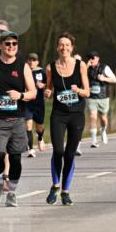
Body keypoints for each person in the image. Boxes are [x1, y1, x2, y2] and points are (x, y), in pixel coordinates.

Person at [0, 31, 37, 207]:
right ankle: (0, 180)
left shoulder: (23, 66)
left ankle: (12, 192)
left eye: (14, 44)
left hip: (17, 119)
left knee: (15, 158)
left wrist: (20, 95)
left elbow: (33, 92)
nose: (11, 47)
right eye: (7, 44)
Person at [45, 32, 90, 205]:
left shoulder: (80, 65)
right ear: (57, 48)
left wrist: (78, 90)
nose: (64, 48)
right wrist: (47, 93)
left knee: (70, 154)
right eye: (61, 45)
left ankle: (65, 191)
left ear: (72, 48)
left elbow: (87, 91)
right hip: (59, 114)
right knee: (58, 151)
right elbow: (49, 90)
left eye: (67, 45)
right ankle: (55, 185)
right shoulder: (50, 67)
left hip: (77, 115)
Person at [85, 50, 116, 147]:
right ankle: (94, 140)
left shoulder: (104, 67)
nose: (91, 60)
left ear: (98, 58)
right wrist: (86, 67)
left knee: (103, 118)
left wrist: (104, 79)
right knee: (92, 117)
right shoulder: (86, 68)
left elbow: (114, 79)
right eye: (89, 58)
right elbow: (79, 77)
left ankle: (103, 131)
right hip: (91, 97)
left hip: (103, 96)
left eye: (93, 58)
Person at [24, 53, 48, 157]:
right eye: (29, 60)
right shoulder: (24, 71)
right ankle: (30, 149)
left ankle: (40, 137)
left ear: (37, 62)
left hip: (39, 103)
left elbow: (49, 83)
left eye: (33, 60)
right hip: (27, 103)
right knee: (28, 125)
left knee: (39, 127)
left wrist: (44, 85)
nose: (31, 62)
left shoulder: (42, 71)